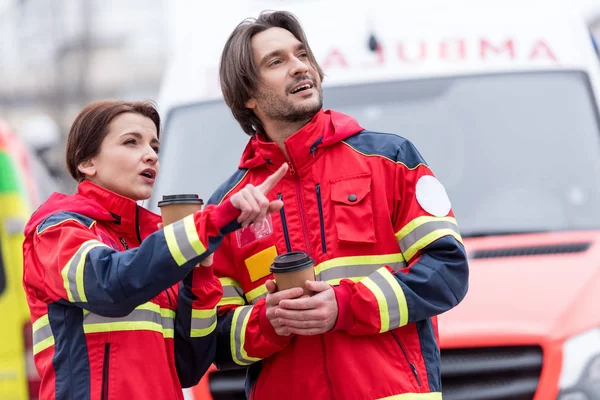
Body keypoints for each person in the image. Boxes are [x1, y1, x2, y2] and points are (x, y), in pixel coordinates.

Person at [209, 10, 470, 400]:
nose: (300, 68)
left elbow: (447, 273)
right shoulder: (229, 209)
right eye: (276, 61)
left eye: (302, 55)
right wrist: (270, 320)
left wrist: (346, 304)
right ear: (247, 95)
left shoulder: (392, 159)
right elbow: (213, 342)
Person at [21, 100, 288, 399]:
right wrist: (211, 223)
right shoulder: (56, 231)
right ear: (87, 162)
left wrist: (199, 276)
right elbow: (112, 284)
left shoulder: (152, 248)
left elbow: (189, 366)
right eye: (131, 142)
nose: (150, 155)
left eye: (155, 148)